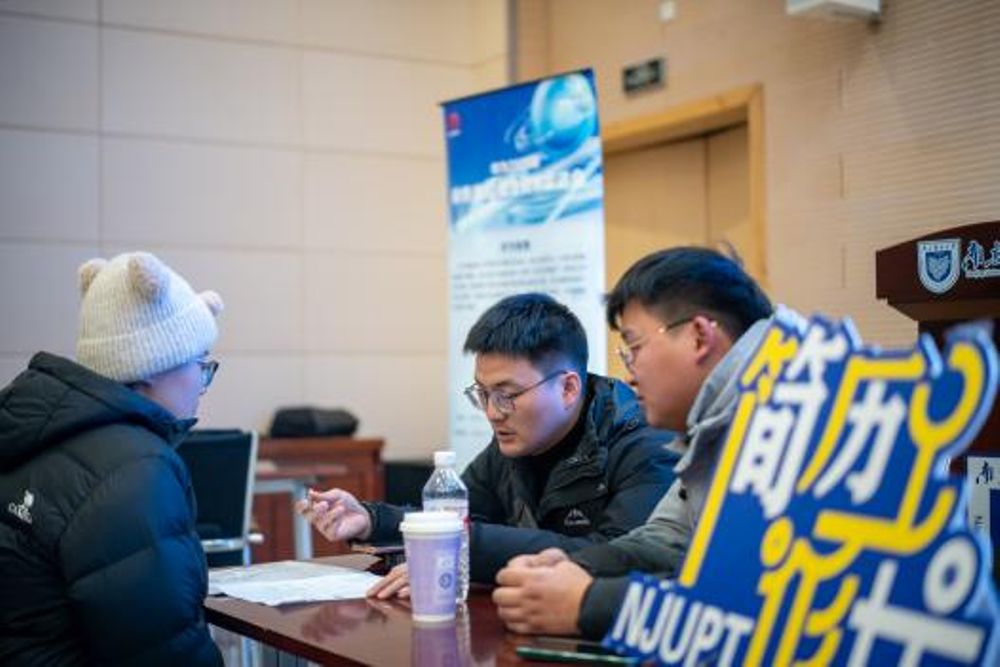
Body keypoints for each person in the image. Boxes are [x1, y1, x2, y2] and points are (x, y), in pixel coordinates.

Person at [297, 293, 679, 597]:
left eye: (507, 394)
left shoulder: (646, 443)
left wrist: (462, 549)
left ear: (567, 388)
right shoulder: (515, 442)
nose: (493, 413)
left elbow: (614, 555)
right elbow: (457, 519)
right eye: (483, 394)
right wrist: (371, 519)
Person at [492, 247, 773, 638]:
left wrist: (587, 603)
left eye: (634, 347)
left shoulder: (786, 418)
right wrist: (572, 569)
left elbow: (755, 596)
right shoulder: (718, 426)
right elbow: (666, 539)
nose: (629, 372)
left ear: (699, 337)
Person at [0, 252, 225, 665]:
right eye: (200, 363)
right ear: (153, 363)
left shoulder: (34, 435)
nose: (202, 382)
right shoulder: (135, 469)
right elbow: (163, 650)